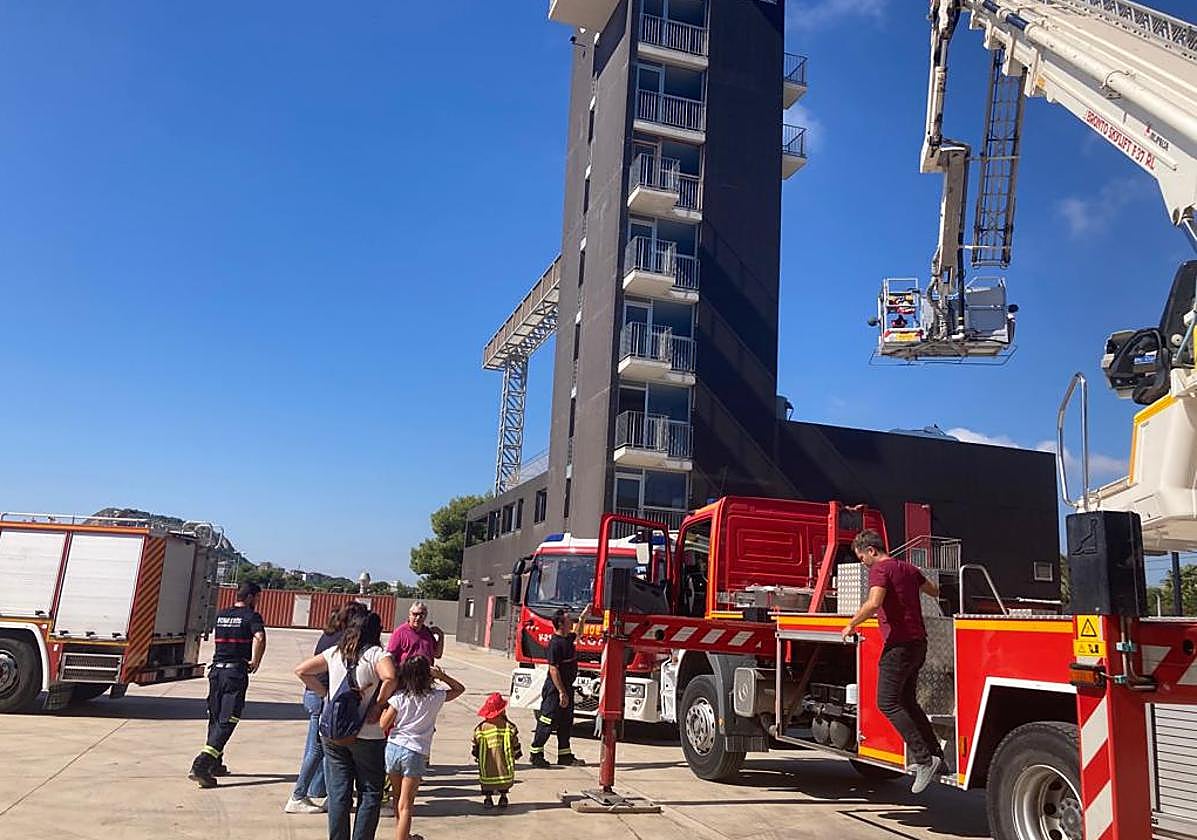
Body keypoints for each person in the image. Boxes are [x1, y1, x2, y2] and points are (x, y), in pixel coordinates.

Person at [841, 530, 945, 793]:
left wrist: (851, 624)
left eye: (862, 556)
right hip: (919, 643)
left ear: (871, 551)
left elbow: (874, 603)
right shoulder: (909, 568)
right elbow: (934, 591)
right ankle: (937, 758)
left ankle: (923, 759)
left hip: (898, 646)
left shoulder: (880, 569)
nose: (863, 562)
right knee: (908, 701)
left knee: (886, 702)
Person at [295, 610, 397, 840]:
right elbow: (390, 677)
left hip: (332, 732)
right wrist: (377, 705)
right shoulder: (376, 654)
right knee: (370, 792)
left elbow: (301, 670)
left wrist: (326, 695)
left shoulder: (334, 653)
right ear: (376, 631)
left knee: (338, 793)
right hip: (366, 734)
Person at [285, 602, 369, 814]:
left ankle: (317, 789)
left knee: (320, 748)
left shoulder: (330, 635)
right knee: (318, 749)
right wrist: (325, 695)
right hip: (320, 696)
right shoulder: (340, 640)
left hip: (316, 695)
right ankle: (298, 795)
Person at [189, 581, 266, 788]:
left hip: (216, 672)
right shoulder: (252, 617)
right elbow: (259, 637)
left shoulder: (221, 615)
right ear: (250, 597)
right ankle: (202, 764)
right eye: (257, 598)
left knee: (215, 716)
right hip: (234, 672)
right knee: (229, 718)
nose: (258, 602)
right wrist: (255, 661)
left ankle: (215, 763)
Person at [379, 657, 465, 840]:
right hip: (415, 752)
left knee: (397, 798)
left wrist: (384, 709)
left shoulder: (399, 697)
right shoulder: (435, 696)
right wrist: (442, 676)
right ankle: (402, 837)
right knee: (407, 804)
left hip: (394, 748)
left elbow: (383, 725)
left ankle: (402, 833)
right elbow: (459, 689)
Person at [529, 605, 590, 768]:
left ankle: (565, 756)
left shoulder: (567, 639)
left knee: (566, 722)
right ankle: (536, 755)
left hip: (566, 688)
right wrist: (562, 692)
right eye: (569, 620)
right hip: (555, 690)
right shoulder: (555, 644)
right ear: (561, 624)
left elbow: (578, 633)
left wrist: (583, 617)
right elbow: (553, 669)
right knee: (547, 721)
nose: (571, 622)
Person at [471, 692, 521, 810]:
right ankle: (503, 797)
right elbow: (515, 742)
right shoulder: (509, 726)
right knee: (503, 780)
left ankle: (488, 799)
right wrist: (517, 753)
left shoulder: (481, 728)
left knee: (487, 781)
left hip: (486, 762)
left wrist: (476, 754)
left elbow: (475, 744)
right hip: (504, 761)